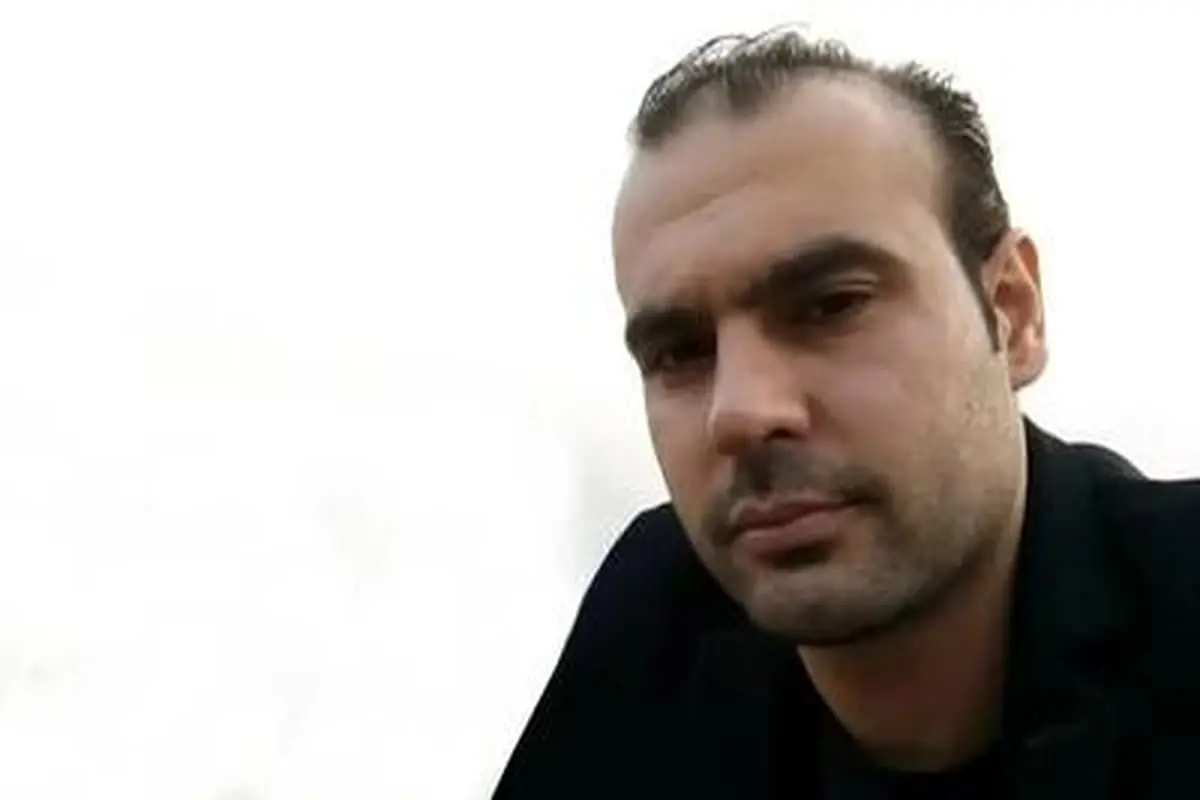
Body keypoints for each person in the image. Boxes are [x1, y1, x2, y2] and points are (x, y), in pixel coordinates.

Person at [493, 27, 1200, 799]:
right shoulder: (659, 615)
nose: (741, 412)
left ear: (1011, 311)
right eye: (680, 352)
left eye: (831, 305)